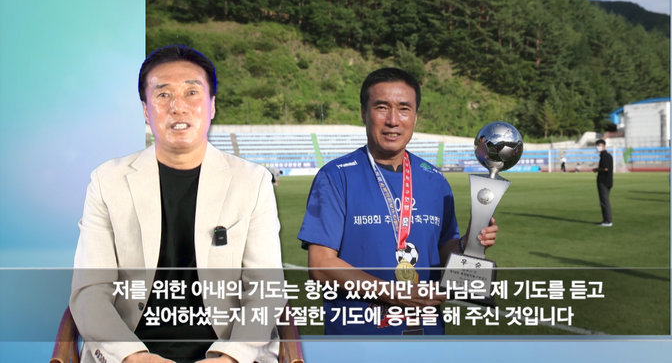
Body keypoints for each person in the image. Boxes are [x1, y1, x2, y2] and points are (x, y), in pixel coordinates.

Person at [70, 45, 283, 363]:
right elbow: (91, 290)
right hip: (130, 353)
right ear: (146, 110)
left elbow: (264, 290)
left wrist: (232, 356)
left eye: (192, 93)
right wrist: (132, 356)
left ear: (212, 106)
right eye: (163, 94)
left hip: (225, 351)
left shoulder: (252, 182)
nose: (178, 107)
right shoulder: (107, 181)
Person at [297, 67, 498, 335]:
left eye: (404, 109)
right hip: (359, 341)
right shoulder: (336, 176)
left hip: (426, 337)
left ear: (415, 116)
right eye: (382, 107)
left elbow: (444, 251)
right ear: (364, 113)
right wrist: (393, 293)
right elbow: (321, 265)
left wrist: (471, 243)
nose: (393, 120)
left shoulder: (435, 180)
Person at [592, 139, 613, 227]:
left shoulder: (605, 156)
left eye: (599, 145)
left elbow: (605, 168)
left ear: (604, 146)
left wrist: (596, 169)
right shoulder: (606, 155)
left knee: (604, 201)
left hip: (604, 181)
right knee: (604, 201)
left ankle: (607, 221)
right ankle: (606, 220)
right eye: (597, 146)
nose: (598, 147)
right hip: (608, 181)